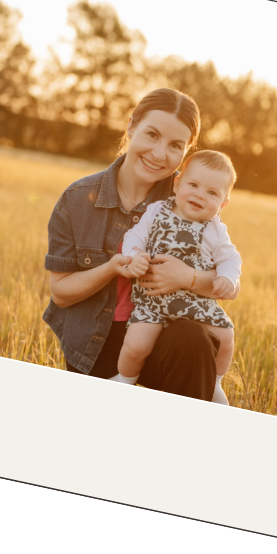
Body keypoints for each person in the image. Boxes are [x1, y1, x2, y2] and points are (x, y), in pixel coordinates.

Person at [44, 88, 240, 400]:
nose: (160, 154)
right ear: (131, 126)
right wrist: (110, 268)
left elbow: (226, 277)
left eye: (176, 145)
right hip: (97, 342)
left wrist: (187, 277)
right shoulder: (78, 199)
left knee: (194, 339)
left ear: (186, 152)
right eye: (151, 134)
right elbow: (61, 294)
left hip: (166, 331)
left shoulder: (191, 197)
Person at [117, 150, 242, 404]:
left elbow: (231, 259)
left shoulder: (215, 229)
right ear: (177, 184)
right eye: (193, 185)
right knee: (136, 344)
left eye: (212, 193)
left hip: (196, 303)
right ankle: (124, 379)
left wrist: (227, 278)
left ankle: (215, 382)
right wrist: (135, 254)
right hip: (153, 301)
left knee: (226, 337)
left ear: (223, 204)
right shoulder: (156, 211)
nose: (199, 194)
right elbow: (134, 236)